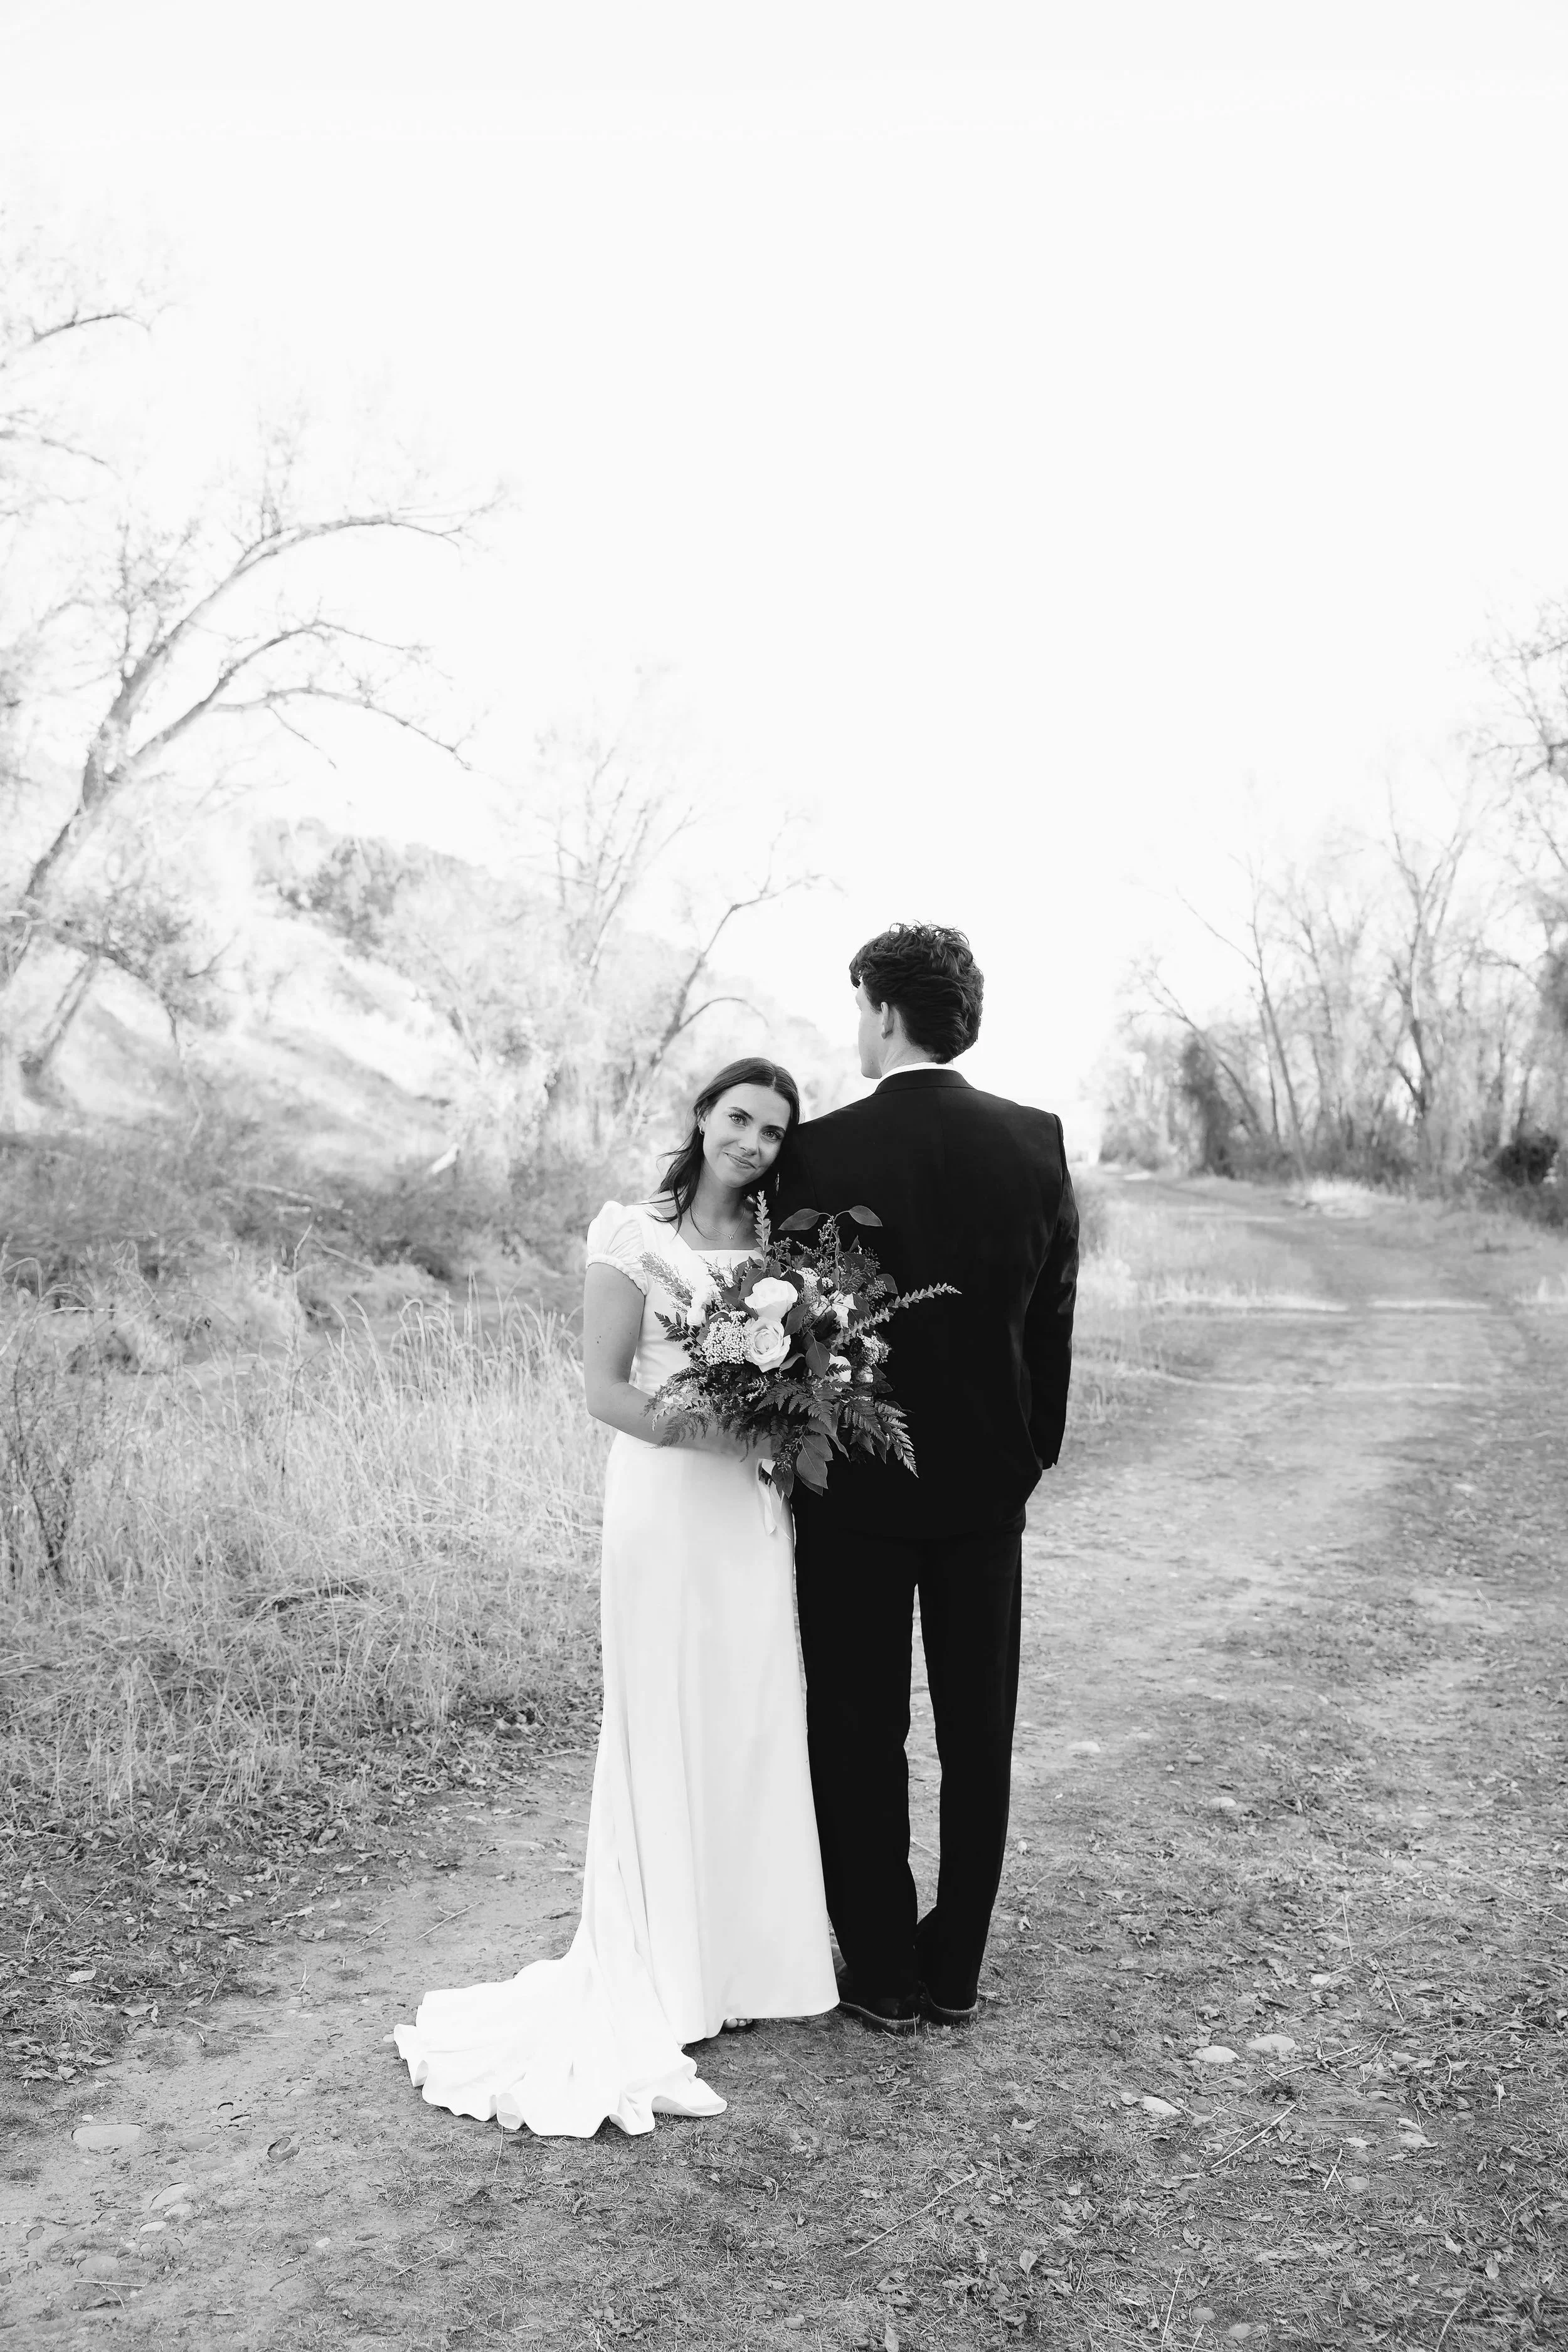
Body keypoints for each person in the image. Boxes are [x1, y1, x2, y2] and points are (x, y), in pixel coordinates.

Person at [395, 1057, 837, 2137]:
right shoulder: (630, 1234)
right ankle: (664, 1971)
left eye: (775, 1130)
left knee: (750, 1715)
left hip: (750, 1511)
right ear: (703, 1116)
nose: (754, 1141)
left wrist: (784, 1421)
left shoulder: (790, 1251)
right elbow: (606, 1390)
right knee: (662, 1717)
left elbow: (801, 1375)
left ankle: (750, 1961)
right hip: (664, 1504)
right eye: (740, 1117)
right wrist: (722, 1429)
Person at [775, 923, 1078, 2033]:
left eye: (858, 1006)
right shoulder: (1035, 1140)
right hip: (988, 1495)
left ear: (887, 1012)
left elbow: (795, 1327)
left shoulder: (818, 1151)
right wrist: (1028, 1454)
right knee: (977, 1730)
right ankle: (957, 1970)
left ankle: (884, 1972)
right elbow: (1052, 1322)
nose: (855, 1028)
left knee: (858, 1730)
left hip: (853, 1492)